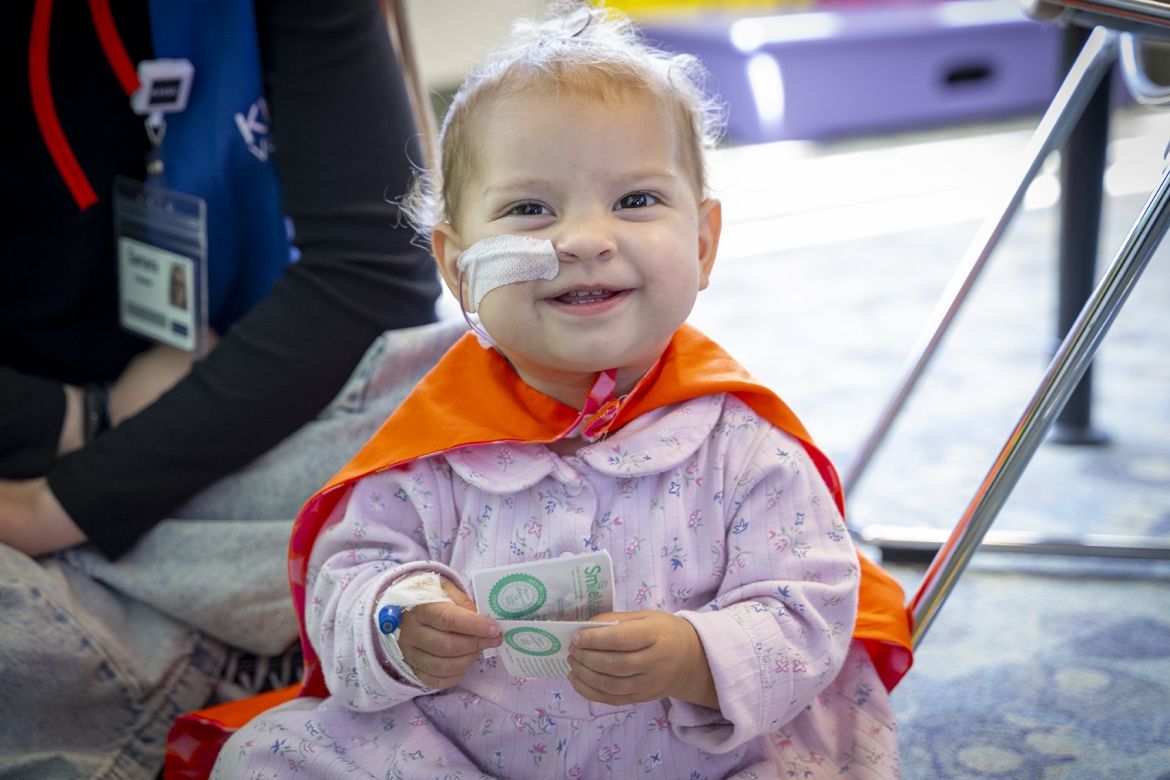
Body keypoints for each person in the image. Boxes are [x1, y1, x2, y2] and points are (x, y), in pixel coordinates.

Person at [211, 3, 914, 778]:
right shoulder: (429, 450)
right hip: (459, 757)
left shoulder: (745, 446)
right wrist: (399, 621)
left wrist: (696, 656)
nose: (582, 239)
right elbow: (347, 580)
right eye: (529, 209)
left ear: (704, 243)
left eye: (636, 200)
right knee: (268, 755)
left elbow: (811, 610)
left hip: (699, 763)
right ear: (457, 265)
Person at [0, 0, 464, 776]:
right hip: (32, 455)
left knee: (492, 387)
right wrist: (75, 419)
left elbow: (374, 277)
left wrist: (64, 505)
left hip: (248, 411)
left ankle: (168, 667)